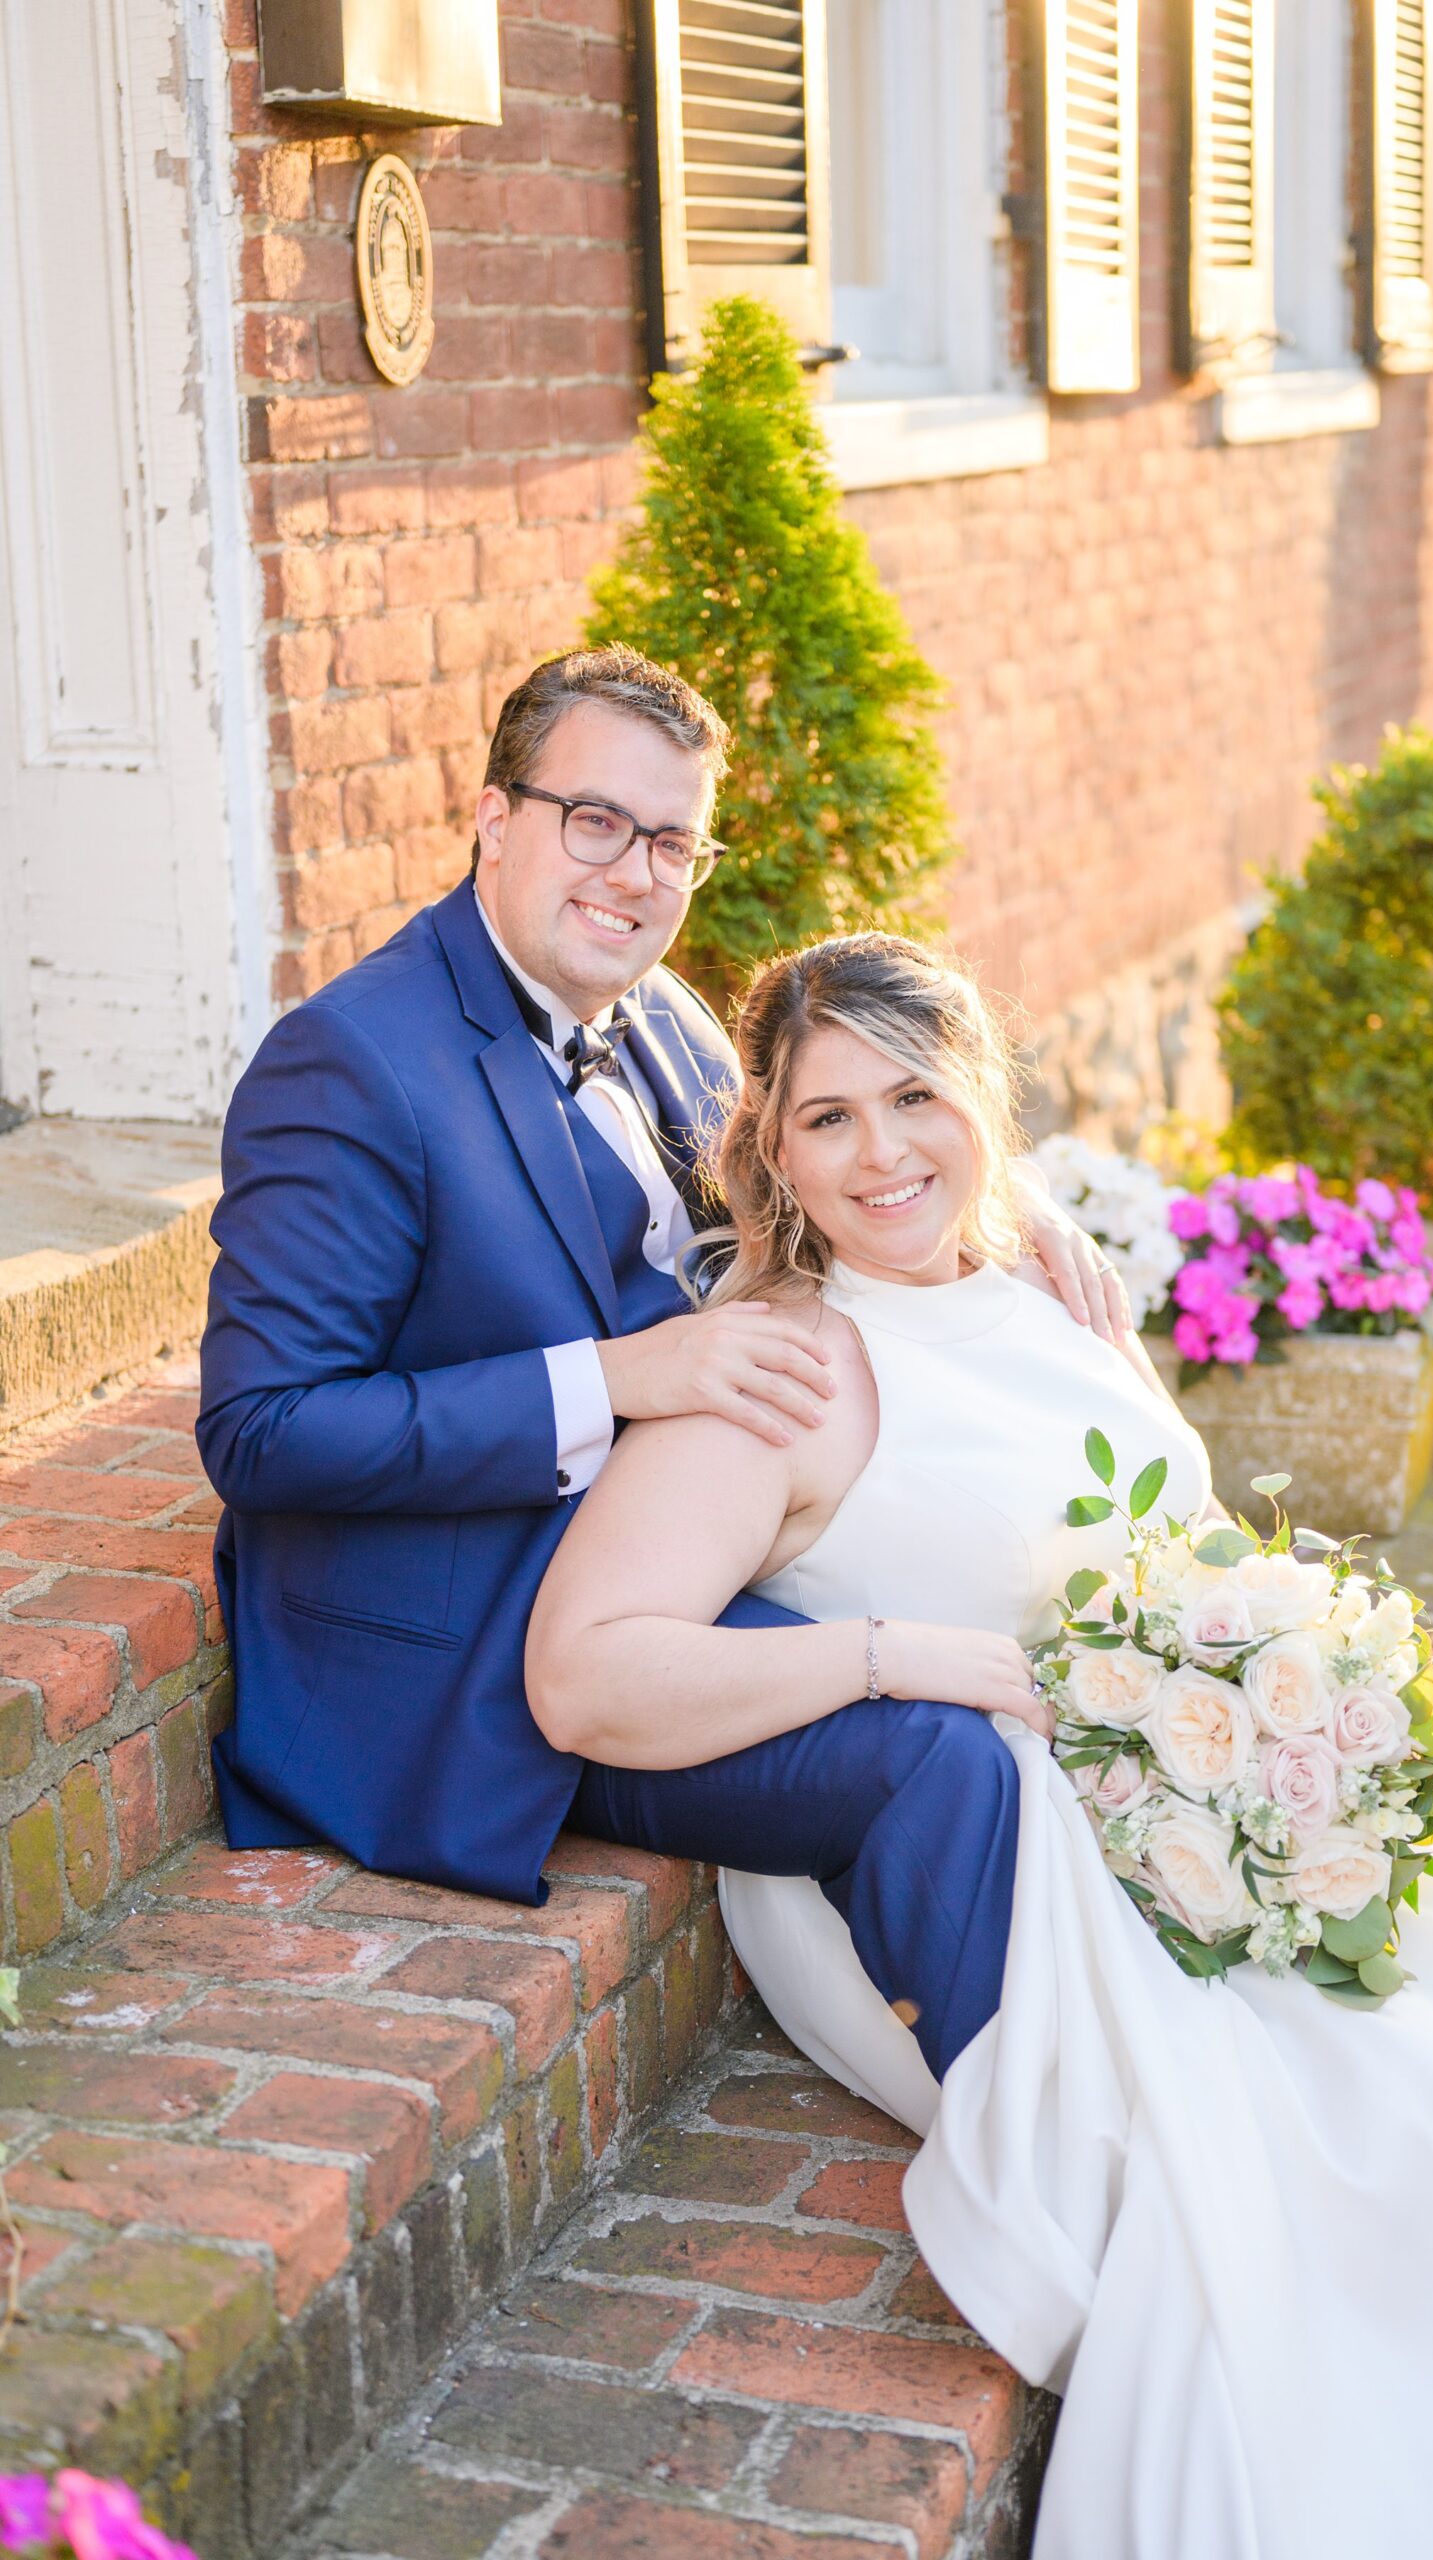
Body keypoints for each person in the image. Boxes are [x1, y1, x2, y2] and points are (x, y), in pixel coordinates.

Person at [527, 931, 1433, 2559]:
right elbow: (583, 1679)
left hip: (1191, 1797)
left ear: (982, 1100)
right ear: (771, 1151)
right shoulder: (782, 1374)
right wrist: (894, 1659)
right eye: (828, 1119)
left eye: (917, 1097)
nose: (883, 1154)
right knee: (1365, 2139)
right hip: (995, 1860)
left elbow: (1190, 1543)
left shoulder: (1041, 1286)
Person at [197, 645, 1123, 2081]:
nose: (634, 874)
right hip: (490, 1640)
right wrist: (616, 1381)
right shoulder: (351, 1066)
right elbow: (263, 1432)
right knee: (938, 1742)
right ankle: (1042, 2131)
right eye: (595, 822)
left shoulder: (662, 1011)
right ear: (494, 817)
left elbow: (834, 1139)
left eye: (673, 840)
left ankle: (1169, 2019)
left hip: (693, 1542)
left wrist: (1015, 1208)